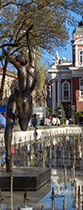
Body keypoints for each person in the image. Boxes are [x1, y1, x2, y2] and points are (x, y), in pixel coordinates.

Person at [3, 25, 36, 171]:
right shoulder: (32, 67)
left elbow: (9, 57)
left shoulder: (19, 67)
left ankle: (8, 158)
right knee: (23, 127)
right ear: (26, 60)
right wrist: (28, 35)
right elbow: (31, 49)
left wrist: (5, 51)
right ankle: (9, 158)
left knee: (10, 123)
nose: (21, 56)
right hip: (26, 97)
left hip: (16, 96)